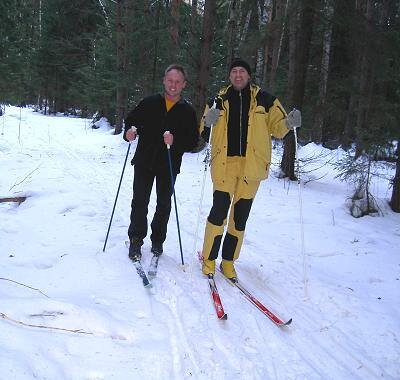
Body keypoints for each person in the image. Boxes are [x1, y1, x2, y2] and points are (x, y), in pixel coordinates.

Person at [200, 58, 301, 280]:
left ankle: (228, 262)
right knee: (218, 213)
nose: (238, 75)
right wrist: (209, 121)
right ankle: (208, 259)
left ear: (249, 75)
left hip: (251, 168)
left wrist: (289, 123)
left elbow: (278, 128)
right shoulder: (218, 100)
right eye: (234, 71)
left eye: (242, 71)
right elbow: (204, 132)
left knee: (240, 218)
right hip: (225, 166)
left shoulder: (266, 100)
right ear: (229, 76)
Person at [123, 64, 199, 262]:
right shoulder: (149, 102)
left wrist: (176, 142)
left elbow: (192, 141)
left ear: (184, 84)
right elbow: (131, 120)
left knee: (164, 204)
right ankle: (136, 239)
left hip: (169, 165)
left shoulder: (187, 111)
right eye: (170, 80)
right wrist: (130, 132)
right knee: (140, 201)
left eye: (177, 82)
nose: (173, 85)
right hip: (144, 161)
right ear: (164, 80)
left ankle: (158, 240)